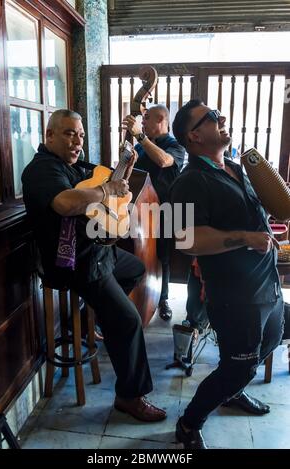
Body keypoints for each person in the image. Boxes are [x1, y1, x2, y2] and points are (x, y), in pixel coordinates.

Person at [21, 109, 166, 422]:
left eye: (81, 135)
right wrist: (107, 191)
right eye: (69, 133)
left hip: (96, 252)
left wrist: (123, 174)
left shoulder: (74, 164)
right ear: (49, 135)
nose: (77, 141)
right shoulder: (42, 170)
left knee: (136, 269)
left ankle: (95, 316)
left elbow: (107, 185)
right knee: (128, 321)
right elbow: (66, 203)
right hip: (73, 263)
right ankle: (130, 396)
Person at [170, 99, 284, 449]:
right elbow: (183, 239)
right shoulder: (187, 182)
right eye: (211, 117)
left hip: (267, 286)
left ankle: (233, 392)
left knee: (269, 343)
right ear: (193, 136)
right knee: (239, 365)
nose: (221, 119)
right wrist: (245, 239)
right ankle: (189, 423)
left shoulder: (235, 167)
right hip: (237, 297)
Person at [122, 105, 185, 321]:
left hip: (165, 209)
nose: (143, 121)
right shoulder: (140, 147)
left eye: (146, 118)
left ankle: (163, 298)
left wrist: (139, 135)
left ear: (161, 119)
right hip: (139, 212)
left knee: (162, 256)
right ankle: (137, 296)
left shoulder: (176, 145)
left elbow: (163, 161)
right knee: (138, 255)